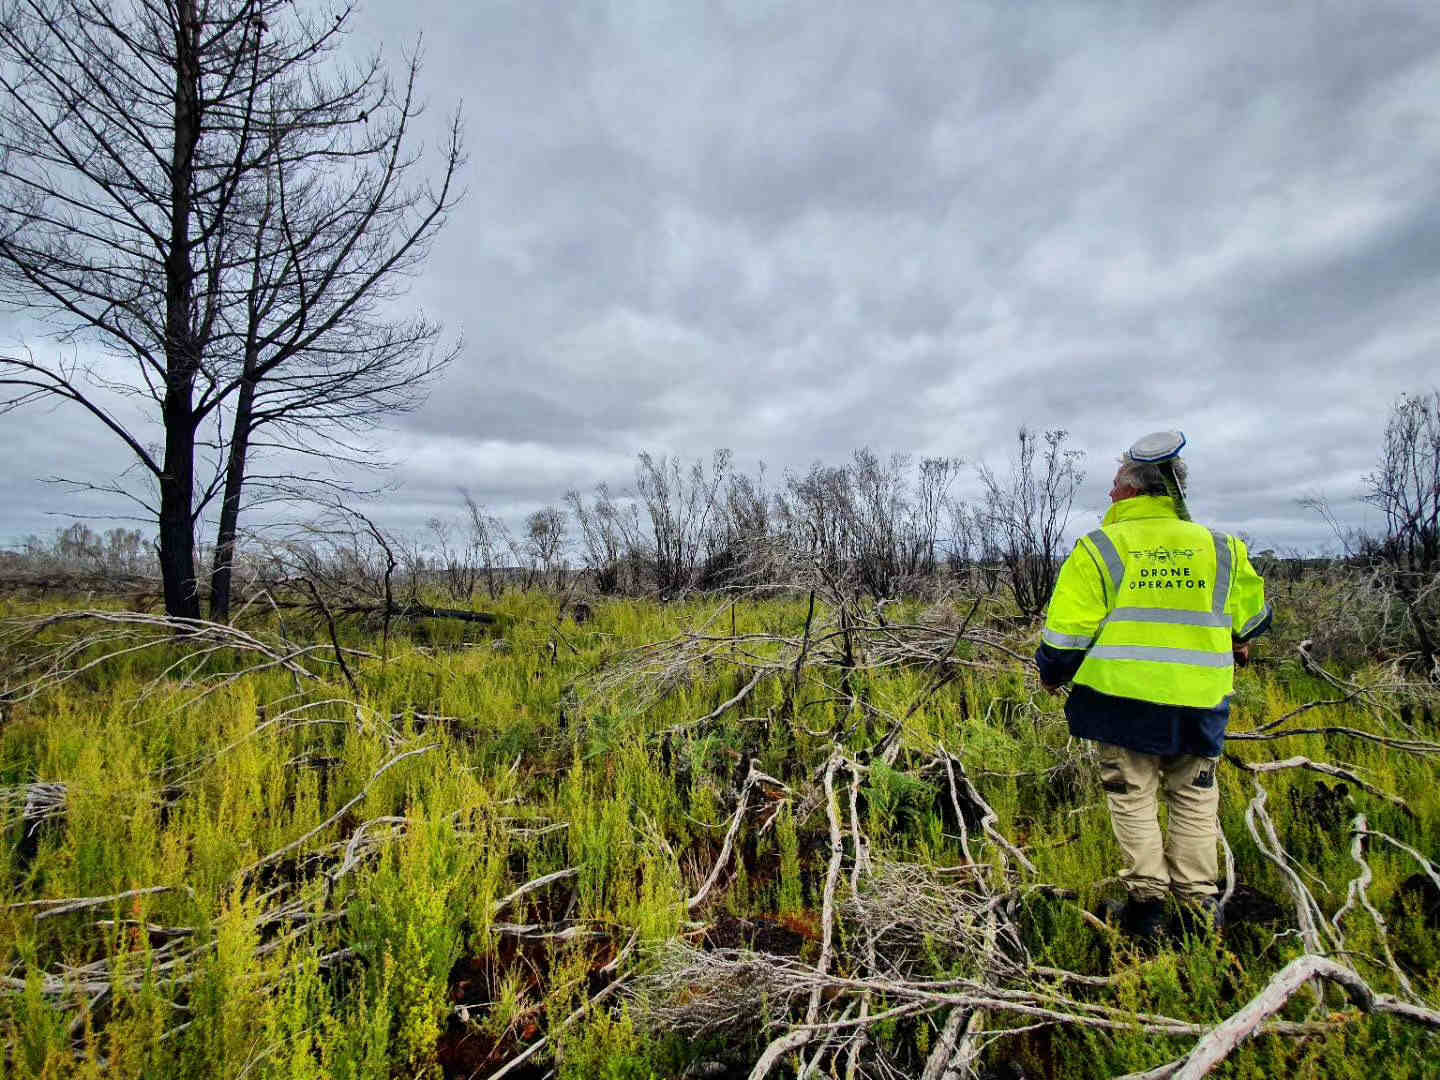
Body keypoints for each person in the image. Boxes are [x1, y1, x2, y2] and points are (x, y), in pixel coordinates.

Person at [1034, 431, 1271, 940]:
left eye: (1116, 486)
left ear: (1138, 490)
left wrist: (1052, 673)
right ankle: (1198, 904)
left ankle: (1148, 908)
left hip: (1123, 701)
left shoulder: (1100, 548)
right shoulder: (1221, 548)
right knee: (1194, 797)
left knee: (1132, 796)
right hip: (1200, 702)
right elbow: (1250, 622)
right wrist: (1236, 640)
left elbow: (1067, 633)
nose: (1110, 495)